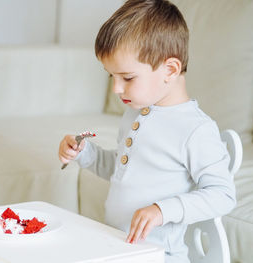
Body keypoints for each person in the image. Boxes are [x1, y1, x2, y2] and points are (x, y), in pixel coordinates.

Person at [58, 0, 236, 262]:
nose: (116, 89)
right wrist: (86, 153)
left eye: (127, 78)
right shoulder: (136, 112)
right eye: (112, 77)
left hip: (161, 256)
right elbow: (123, 170)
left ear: (170, 69)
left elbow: (223, 196)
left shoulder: (195, 129)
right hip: (118, 247)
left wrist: (162, 210)